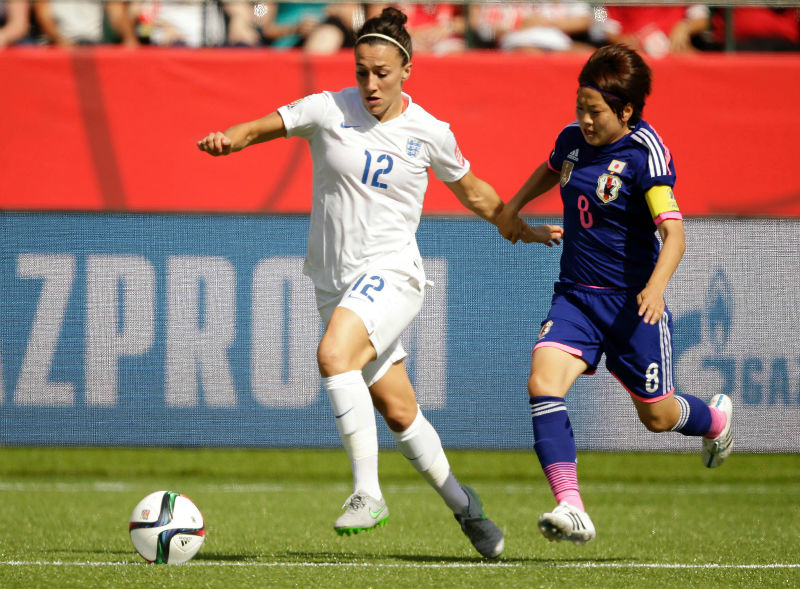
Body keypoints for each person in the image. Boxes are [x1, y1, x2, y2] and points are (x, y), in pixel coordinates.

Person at [198, 7, 560, 558]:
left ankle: (367, 492)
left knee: (333, 355)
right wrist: (229, 138)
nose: (370, 83)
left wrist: (521, 228)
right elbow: (255, 128)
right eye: (362, 71)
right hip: (333, 282)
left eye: (382, 73)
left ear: (407, 70)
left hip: (392, 273)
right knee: (398, 411)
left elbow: (476, 193)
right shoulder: (327, 108)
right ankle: (468, 509)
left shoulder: (430, 132)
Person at [496, 43, 733, 545]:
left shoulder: (645, 154)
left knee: (657, 417)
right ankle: (572, 506)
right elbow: (552, 165)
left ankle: (714, 420)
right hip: (576, 298)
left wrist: (655, 288)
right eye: (579, 107)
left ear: (625, 111)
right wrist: (512, 208)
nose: (584, 119)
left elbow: (674, 234)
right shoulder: (573, 140)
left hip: (632, 306)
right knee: (542, 383)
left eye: (595, 111)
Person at [33, 0, 139, 47]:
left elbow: (116, 12)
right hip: (56, 45)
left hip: (93, 44)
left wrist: (129, 39)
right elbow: (43, 14)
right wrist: (59, 40)